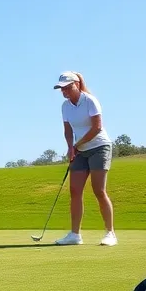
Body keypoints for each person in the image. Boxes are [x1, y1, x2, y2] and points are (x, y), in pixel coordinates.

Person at [52, 71, 116, 246]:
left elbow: (97, 128)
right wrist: (70, 147)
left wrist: (77, 145)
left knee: (98, 190)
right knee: (75, 191)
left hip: (99, 147)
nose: (64, 91)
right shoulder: (65, 106)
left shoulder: (90, 100)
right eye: (61, 89)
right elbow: (68, 130)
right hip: (79, 150)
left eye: (67, 87)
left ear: (77, 84)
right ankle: (75, 234)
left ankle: (110, 233)